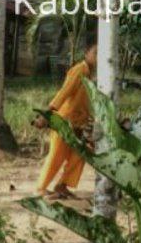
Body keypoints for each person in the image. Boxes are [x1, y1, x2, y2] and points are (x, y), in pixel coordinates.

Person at [32, 40, 97, 200]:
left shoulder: (91, 75)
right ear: (86, 54)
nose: (98, 57)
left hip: (79, 123)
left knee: (80, 154)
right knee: (57, 155)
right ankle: (41, 188)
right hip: (64, 120)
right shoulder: (79, 70)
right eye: (95, 53)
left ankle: (62, 185)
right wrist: (47, 114)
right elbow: (64, 92)